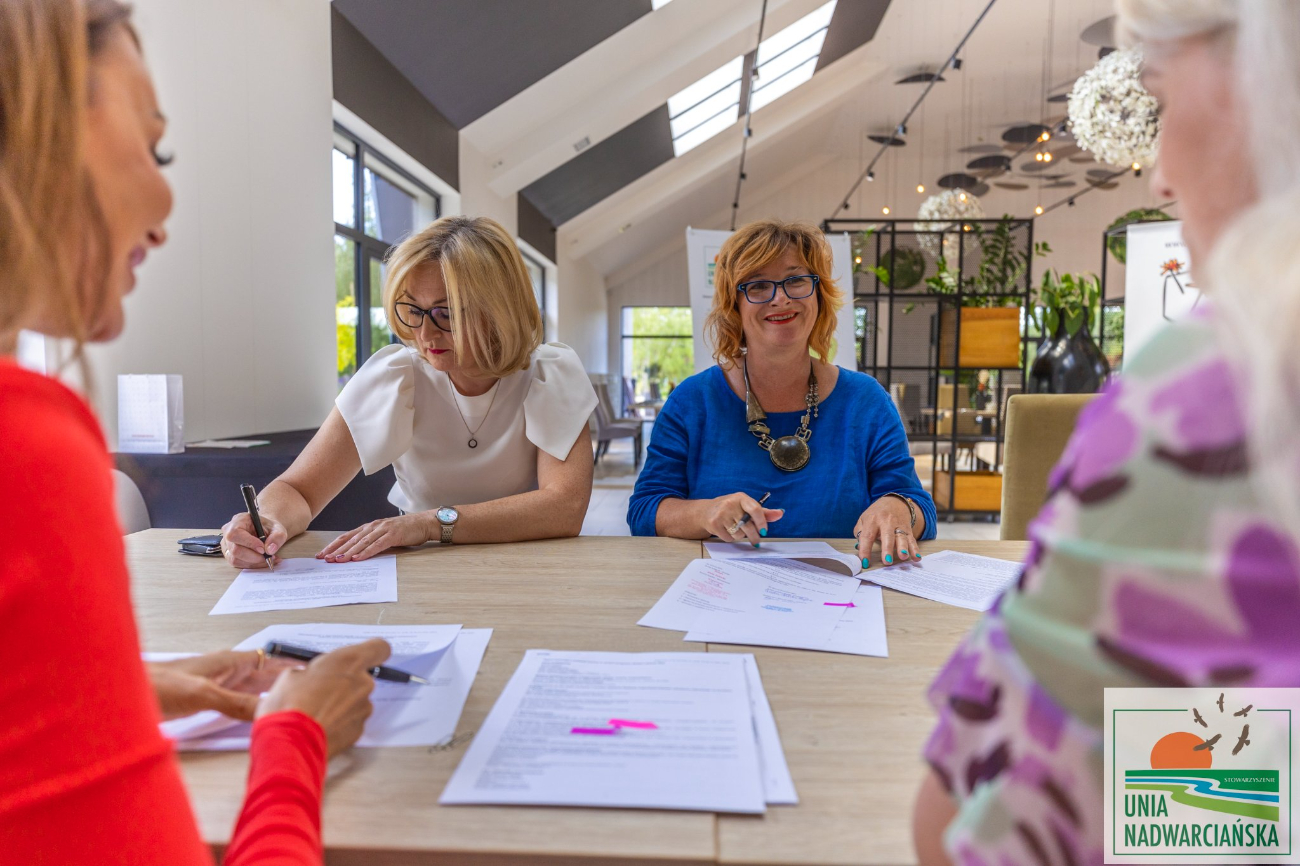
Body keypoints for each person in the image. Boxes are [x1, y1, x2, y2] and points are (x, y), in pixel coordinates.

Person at [0, 1, 391, 861]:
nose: (166, 199)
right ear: (30, 134)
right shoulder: (26, 446)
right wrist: (298, 739)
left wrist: (121, 693)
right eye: (155, 146)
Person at [913, 2, 1300, 863]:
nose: (1158, 177)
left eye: (1159, 98)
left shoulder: (1211, 397)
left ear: (1267, 78)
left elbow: (967, 829)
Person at [221, 216, 597, 568]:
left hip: (526, 564)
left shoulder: (551, 373)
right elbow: (298, 490)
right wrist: (267, 521)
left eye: (446, 313)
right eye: (412, 310)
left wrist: (430, 524)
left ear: (500, 310)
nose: (425, 334)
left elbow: (564, 506)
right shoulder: (395, 377)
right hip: (424, 567)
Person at [628, 219, 936, 567]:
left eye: (796, 280)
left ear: (818, 295)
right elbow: (644, 511)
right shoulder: (691, 401)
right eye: (758, 286)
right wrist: (704, 512)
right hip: (724, 598)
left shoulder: (866, 401)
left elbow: (920, 508)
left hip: (841, 600)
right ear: (735, 305)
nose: (781, 298)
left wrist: (899, 507)